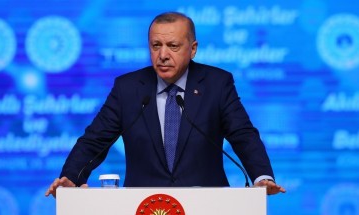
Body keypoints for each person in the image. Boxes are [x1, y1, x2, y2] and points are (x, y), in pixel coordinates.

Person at [45, 11, 285, 198]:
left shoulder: (217, 83)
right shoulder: (128, 88)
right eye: (156, 45)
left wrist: (261, 177)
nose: (162, 55)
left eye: (173, 46)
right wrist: (70, 179)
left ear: (192, 50)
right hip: (142, 205)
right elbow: (94, 141)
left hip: (208, 204)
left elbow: (243, 135)